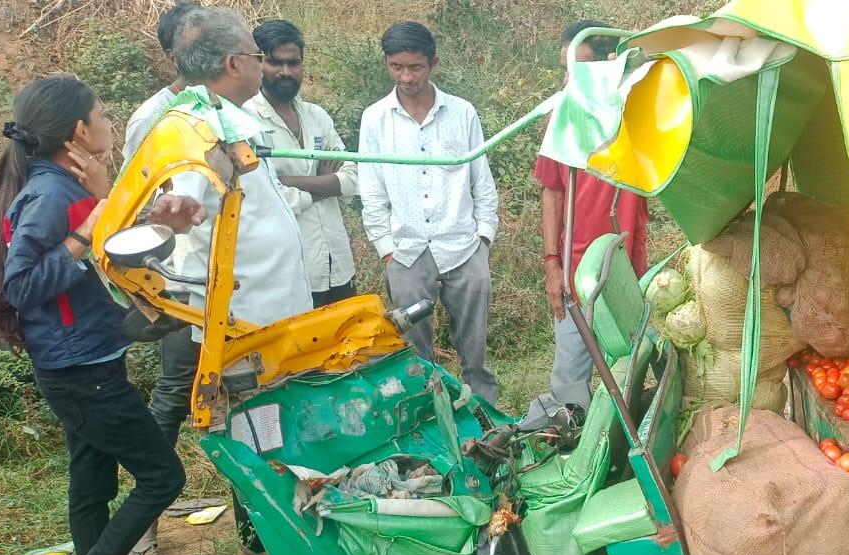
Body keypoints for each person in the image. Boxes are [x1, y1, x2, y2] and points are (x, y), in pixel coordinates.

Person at [0, 77, 191, 555]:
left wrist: (112, 204)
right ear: (78, 130)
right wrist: (86, 227)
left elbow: (113, 246)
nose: (109, 121)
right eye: (102, 114)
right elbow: (21, 284)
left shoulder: (63, 184)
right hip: (79, 370)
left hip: (85, 359)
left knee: (92, 481)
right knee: (164, 476)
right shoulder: (51, 195)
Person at [156, 7, 317, 555]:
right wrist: (178, 206)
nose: (262, 64)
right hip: (246, 324)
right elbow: (187, 198)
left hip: (275, 318)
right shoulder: (197, 128)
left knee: (278, 427)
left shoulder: (227, 115)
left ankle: (283, 530)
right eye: (255, 54)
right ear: (233, 63)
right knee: (257, 431)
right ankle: (263, 544)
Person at [360, 21, 501, 405]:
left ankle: (484, 415)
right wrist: (386, 249)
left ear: (433, 63)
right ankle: (428, 414)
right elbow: (370, 188)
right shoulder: (375, 119)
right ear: (387, 64)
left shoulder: (461, 112)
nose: (406, 77)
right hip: (405, 251)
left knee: (474, 348)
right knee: (413, 349)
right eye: (397, 67)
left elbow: (481, 180)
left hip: (463, 245)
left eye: (416, 67)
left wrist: (483, 238)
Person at [522, 21, 651, 429]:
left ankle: (623, 439)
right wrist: (551, 265)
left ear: (608, 68)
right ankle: (573, 442)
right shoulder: (563, 114)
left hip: (628, 266)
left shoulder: (638, 112)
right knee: (571, 375)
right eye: (565, 71)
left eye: (579, 71)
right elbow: (552, 192)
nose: (569, 82)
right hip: (576, 270)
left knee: (631, 363)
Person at [120, 0, 199, 555]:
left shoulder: (219, 107)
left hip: (233, 281)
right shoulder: (154, 117)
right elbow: (132, 204)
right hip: (182, 283)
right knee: (174, 393)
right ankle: (143, 521)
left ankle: (261, 520)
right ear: (173, 53)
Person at [245, 19, 360, 308]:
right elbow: (264, 196)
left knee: (346, 350)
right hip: (288, 275)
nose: (286, 71)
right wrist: (322, 188)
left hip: (337, 265)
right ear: (257, 63)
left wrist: (290, 182)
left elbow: (353, 176)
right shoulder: (245, 122)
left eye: (294, 62)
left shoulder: (316, 116)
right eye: (275, 62)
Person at [123, 1, 199, 161]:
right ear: (173, 57)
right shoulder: (149, 119)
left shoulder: (226, 102)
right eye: (198, 45)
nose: (212, 50)